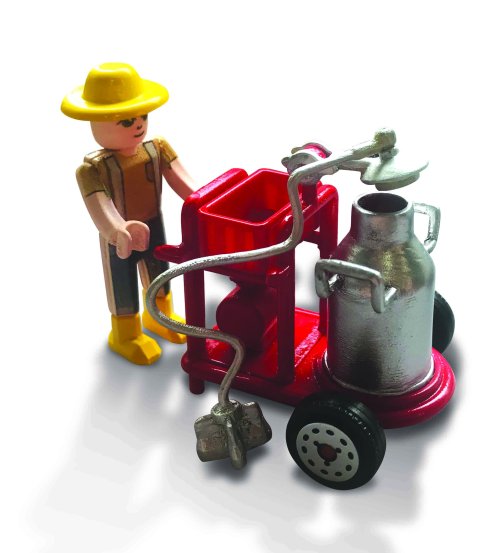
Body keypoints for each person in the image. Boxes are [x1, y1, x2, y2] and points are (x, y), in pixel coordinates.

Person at [61, 62, 196, 365]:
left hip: (153, 223)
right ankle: (125, 335)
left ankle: (160, 317)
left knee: (161, 272)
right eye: (126, 121)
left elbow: (182, 179)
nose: (138, 125)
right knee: (122, 286)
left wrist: (205, 200)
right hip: (120, 236)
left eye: (142, 116)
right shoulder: (93, 169)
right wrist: (117, 230)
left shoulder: (156, 148)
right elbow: (100, 205)